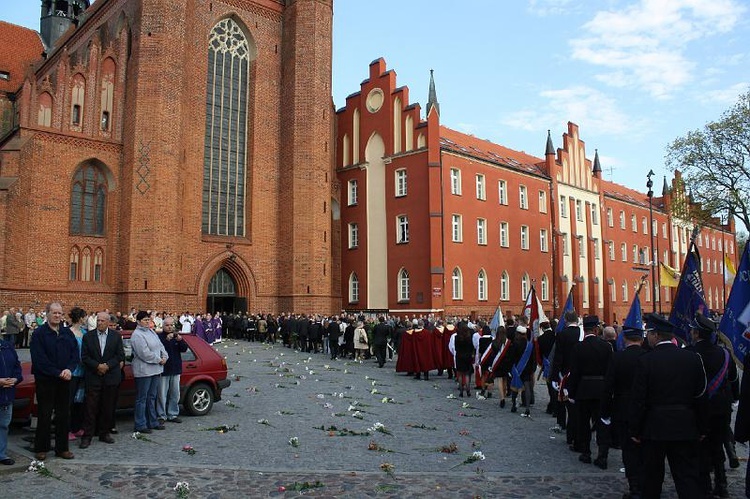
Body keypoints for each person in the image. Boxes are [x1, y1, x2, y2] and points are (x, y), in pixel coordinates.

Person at [629, 313, 708, 499]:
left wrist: (635, 430)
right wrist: (703, 427)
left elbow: (638, 400)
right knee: (687, 477)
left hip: (654, 427)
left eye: (648, 333)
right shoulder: (692, 359)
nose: (647, 337)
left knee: (652, 478)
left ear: (656, 335)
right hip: (685, 426)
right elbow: (701, 397)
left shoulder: (645, 361)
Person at [689, 313, 737, 498]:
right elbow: (733, 379)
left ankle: (705, 487)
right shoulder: (724, 354)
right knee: (717, 446)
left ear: (696, 333)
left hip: (698, 408)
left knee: (701, 448)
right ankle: (722, 484)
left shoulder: (691, 353)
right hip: (721, 408)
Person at [600, 325, 646, 497]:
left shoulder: (617, 358)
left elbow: (608, 387)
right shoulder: (648, 357)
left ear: (625, 338)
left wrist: (604, 412)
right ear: (641, 339)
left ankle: (634, 485)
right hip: (646, 409)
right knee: (645, 449)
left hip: (623, 408)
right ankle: (645, 483)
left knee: (628, 450)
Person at [30, 302, 78, 460]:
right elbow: (39, 359)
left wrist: (69, 369)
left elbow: (74, 354)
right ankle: (41, 447)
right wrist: (58, 372)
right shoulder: (39, 334)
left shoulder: (66, 333)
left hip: (65, 378)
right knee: (45, 413)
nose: (57, 316)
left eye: (60, 313)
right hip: (46, 379)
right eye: (54, 313)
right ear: (47, 314)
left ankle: (62, 448)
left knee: (63, 414)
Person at [567, 316, 612, 467]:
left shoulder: (578, 348)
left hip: (583, 389)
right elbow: (610, 372)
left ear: (584, 330)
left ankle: (586, 452)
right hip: (601, 389)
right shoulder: (606, 347)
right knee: (602, 423)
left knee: (583, 423)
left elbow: (574, 372)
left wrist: (571, 392)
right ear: (596, 329)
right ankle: (602, 455)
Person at [79, 311, 125, 449]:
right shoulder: (88, 337)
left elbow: (120, 355)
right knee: (90, 408)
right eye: (98, 320)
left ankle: (104, 433)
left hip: (110, 377)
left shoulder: (116, 337)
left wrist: (107, 366)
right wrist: (97, 366)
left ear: (108, 322)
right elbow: (85, 356)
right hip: (94, 376)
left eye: (103, 321)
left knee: (108, 406)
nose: (100, 323)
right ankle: (87, 435)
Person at [131, 310, 168, 433]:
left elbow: (160, 346)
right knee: (142, 398)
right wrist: (158, 360)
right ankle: (140, 424)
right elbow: (144, 353)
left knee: (152, 397)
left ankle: (152, 421)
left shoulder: (151, 332)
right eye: (145, 320)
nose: (147, 322)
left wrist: (165, 356)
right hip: (144, 371)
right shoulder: (137, 335)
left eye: (148, 320)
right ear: (138, 322)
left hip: (156, 369)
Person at [157, 317, 187, 423]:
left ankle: (173, 414)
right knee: (162, 394)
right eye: (167, 325)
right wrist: (166, 340)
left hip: (176, 369)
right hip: (164, 370)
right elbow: (157, 349)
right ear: (163, 326)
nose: (169, 327)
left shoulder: (176, 336)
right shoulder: (159, 337)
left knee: (175, 394)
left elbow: (184, 349)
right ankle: (161, 415)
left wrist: (180, 340)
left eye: (171, 325)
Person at [0, 334, 22, 465]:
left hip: (6, 394)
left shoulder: (7, 346)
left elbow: (17, 367)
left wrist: (15, 378)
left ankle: (1, 454)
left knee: (3, 425)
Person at [67, 307, 87, 442]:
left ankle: (77, 426)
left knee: (80, 401)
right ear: (80, 318)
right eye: (84, 317)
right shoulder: (68, 333)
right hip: (73, 371)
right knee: (69, 402)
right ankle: (67, 429)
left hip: (83, 371)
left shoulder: (84, 332)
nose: (85, 319)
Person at [453, 323, 475, 397]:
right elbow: (472, 347)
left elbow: (455, 348)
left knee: (460, 374)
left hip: (459, 356)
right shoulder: (469, 337)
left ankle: (461, 391)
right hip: (468, 356)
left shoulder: (456, 337)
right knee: (467, 374)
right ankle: (468, 390)